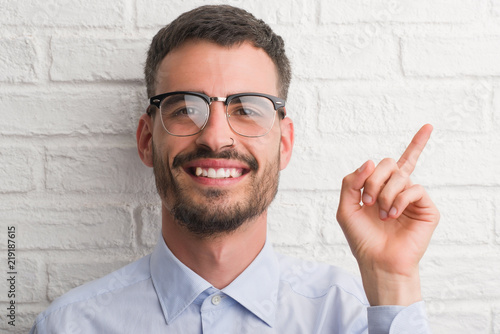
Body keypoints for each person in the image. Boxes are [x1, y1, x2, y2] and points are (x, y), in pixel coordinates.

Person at [30, 5, 439, 333]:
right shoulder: (68, 326)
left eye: (247, 109)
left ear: (284, 143)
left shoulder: (352, 318)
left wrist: (392, 278)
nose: (216, 137)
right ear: (145, 140)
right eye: (186, 108)